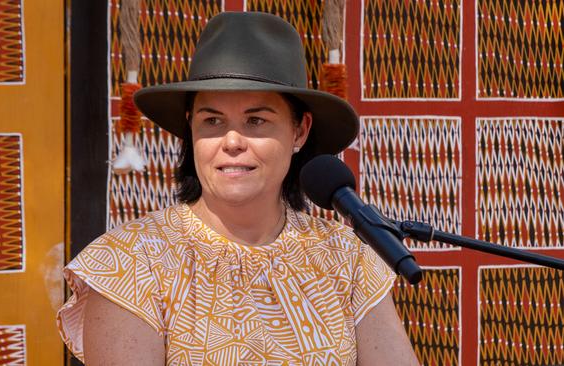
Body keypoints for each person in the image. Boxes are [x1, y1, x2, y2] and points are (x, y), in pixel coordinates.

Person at [58, 11, 420, 365]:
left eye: (256, 120)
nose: (232, 141)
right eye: (212, 120)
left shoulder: (346, 257)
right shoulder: (130, 261)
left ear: (300, 130)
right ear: (191, 129)